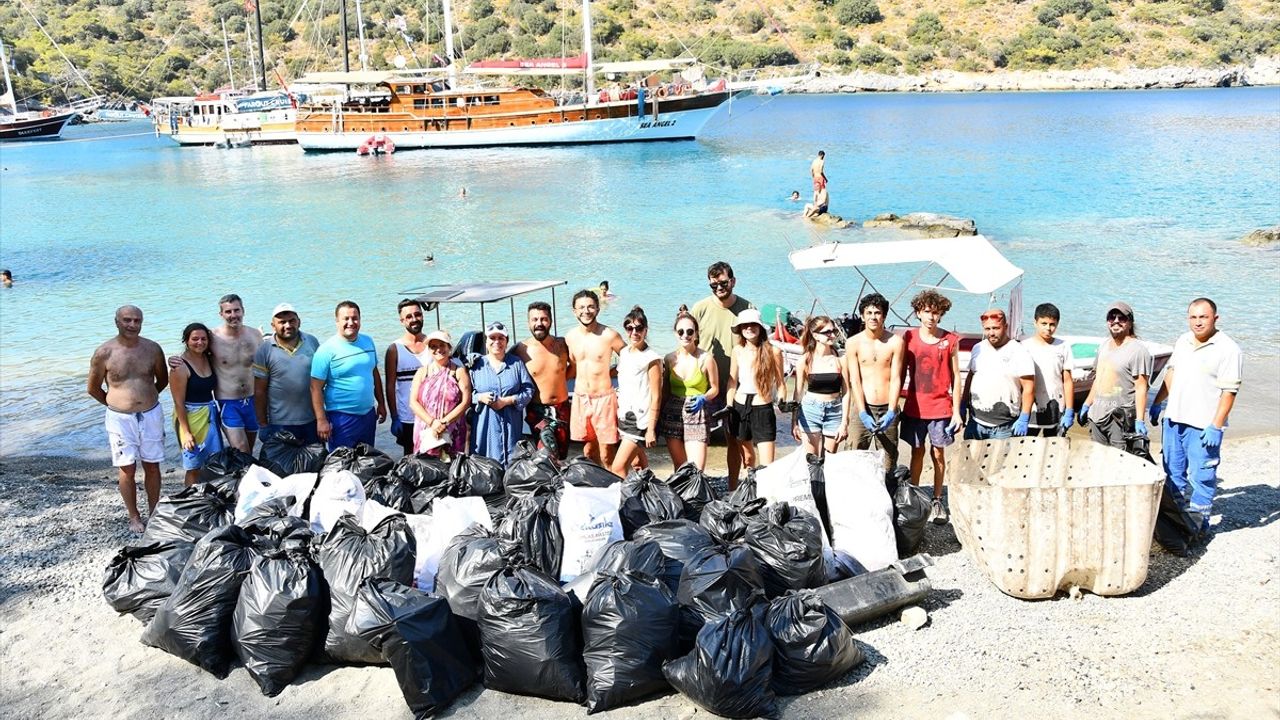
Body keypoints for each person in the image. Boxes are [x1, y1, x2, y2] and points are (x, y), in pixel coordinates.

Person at [1151, 298, 1242, 533]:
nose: (1198, 322)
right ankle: (1178, 520)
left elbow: (1229, 392)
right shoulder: (1183, 340)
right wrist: (1157, 402)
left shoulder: (1228, 349)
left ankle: (1201, 525)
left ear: (1215, 318)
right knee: (1173, 473)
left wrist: (1216, 425)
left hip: (1203, 425)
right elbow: (1171, 374)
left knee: (1202, 476)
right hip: (1174, 420)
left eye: (1203, 317)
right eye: (1193, 317)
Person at [87, 305, 168, 533]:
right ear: (117, 322)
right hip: (120, 418)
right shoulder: (104, 352)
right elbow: (93, 388)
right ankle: (134, 516)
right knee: (127, 469)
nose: (132, 325)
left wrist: (145, 399)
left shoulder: (153, 349)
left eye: (137, 320)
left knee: (153, 466)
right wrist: (116, 404)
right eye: (127, 320)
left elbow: (162, 380)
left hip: (151, 414)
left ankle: (154, 512)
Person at [900, 290, 964, 525]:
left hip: (941, 407)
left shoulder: (950, 340)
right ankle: (915, 496)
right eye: (927, 312)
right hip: (915, 406)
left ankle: (937, 499)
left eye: (935, 313)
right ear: (918, 313)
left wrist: (957, 411)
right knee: (917, 452)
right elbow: (898, 372)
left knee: (938, 453)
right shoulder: (909, 337)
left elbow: (957, 377)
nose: (931, 317)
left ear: (941, 315)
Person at [690, 261, 752, 484]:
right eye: (713, 285)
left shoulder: (747, 308)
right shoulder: (700, 309)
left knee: (735, 439)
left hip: (736, 386)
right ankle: (695, 486)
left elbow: (757, 346)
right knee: (696, 440)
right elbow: (687, 343)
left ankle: (733, 487)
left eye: (723, 283)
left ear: (733, 281)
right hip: (704, 387)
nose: (719, 288)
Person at [310, 301, 387, 450]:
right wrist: (321, 420)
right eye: (346, 319)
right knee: (341, 466)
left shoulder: (368, 341)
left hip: (368, 414)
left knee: (366, 461)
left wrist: (382, 404)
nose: (351, 323)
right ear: (337, 321)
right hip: (341, 417)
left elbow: (374, 373)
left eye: (355, 318)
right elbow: (315, 387)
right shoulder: (326, 350)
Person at [1079, 301, 1152, 449]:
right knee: (1098, 460)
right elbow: (1098, 379)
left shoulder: (1138, 351)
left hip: (1119, 420)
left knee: (1119, 463)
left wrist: (1140, 420)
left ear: (1130, 323)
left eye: (1122, 318)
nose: (1116, 321)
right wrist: (1087, 404)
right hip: (1097, 415)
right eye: (1112, 317)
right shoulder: (1104, 346)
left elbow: (1141, 388)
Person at [566, 290, 624, 466]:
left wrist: (615, 374)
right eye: (581, 307)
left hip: (604, 398)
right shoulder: (570, 337)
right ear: (574, 311)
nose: (586, 311)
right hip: (580, 398)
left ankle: (615, 486)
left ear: (598, 309)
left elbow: (631, 359)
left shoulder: (609, 335)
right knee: (589, 451)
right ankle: (596, 487)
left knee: (607, 453)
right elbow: (572, 368)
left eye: (591, 306)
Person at [847, 293, 903, 468]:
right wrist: (862, 412)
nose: (873, 317)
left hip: (887, 407)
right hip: (863, 407)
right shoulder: (853, 342)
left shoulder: (896, 342)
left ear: (884, 316)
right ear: (863, 316)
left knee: (888, 460)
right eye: (869, 312)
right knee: (854, 455)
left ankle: (889, 493)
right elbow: (855, 380)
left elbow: (896, 378)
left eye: (877, 313)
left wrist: (892, 411)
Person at [252, 303, 322, 444]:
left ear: (299, 322)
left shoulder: (312, 342)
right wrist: (263, 423)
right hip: (280, 423)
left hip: (312, 419)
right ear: (273, 325)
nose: (288, 325)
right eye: (282, 322)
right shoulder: (264, 350)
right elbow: (260, 391)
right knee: (283, 465)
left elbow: (322, 380)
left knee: (317, 464)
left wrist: (323, 417)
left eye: (292, 320)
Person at [962, 309, 1035, 440]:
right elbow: (970, 377)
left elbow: (1029, 387)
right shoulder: (977, 348)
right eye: (987, 329)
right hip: (975, 422)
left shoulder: (1019, 351)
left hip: (1004, 426)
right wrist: (962, 404)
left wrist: (1024, 417)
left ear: (1005, 327)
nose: (991, 333)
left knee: (1001, 460)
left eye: (996, 328)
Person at [467, 321, 534, 465]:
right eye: (492, 338)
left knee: (513, 461)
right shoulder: (475, 365)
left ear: (507, 341)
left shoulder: (516, 363)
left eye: (501, 338)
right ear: (486, 342)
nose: (496, 342)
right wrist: (480, 397)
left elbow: (528, 390)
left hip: (511, 423)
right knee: (485, 463)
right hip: (485, 425)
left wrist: (508, 400)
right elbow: (465, 394)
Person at [661, 312, 720, 471]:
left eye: (689, 331)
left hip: (696, 411)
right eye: (681, 332)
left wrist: (703, 397)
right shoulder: (669, 359)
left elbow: (715, 388)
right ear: (675, 334)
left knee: (696, 470)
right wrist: (656, 418)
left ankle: (696, 496)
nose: (685, 335)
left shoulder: (706, 358)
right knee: (680, 469)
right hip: (672, 413)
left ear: (696, 333)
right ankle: (679, 496)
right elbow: (665, 390)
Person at [727, 308, 784, 469]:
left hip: (763, 408)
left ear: (760, 327)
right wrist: (728, 406)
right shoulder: (737, 350)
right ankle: (749, 491)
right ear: (739, 329)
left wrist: (782, 402)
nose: (749, 328)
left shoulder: (774, 351)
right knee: (747, 459)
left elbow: (781, 384)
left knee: (767, 464)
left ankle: (767, 493)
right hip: (739, 407)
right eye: (745, 325)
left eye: (753, 324)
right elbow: (732, 383)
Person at [514, 301, 571, 459]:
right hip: (538, 411)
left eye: (544, 319)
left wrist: (560, 380)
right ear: (528, 322)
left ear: (551, 321)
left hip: (563, 409)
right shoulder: (520, 349)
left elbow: (576, 365)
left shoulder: (562, 344)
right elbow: (499, 364)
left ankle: (557, 482)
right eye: (534, 319)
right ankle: (547, 481)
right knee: (546, 453)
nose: (539, 323)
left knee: (561, 455)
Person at [611, 306, 663, 476]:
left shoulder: (652, 358)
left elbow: (656, 396)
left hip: (640, 420)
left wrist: (651, 429)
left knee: (618, 467)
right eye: (630, 328)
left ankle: (623, 501)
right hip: (624, 415)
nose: (634, 332)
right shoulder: (624, 352)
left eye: (639, 328)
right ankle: (649, 494)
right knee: (639, 465)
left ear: (646, 330)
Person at [170, 323, 222, 486]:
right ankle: (191, 500)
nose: (199, 342)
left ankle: (208, 498)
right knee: (193, 466)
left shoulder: (209, 358)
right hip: (189, 416)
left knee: (213, 461)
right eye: (195, 339)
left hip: (210, 415)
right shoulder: (180, 366)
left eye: (203, 339)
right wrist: (186, 432)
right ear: (186, 340)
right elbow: (178, 402)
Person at [209, 294, 264, 452]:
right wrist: (175, 361)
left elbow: (267, 365)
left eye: (236, 310)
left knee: (249, 450)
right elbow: (193, 353)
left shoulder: (255, 335)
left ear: (243, 311)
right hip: (228, 401)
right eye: (228, 312)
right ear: (221, 314)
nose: (233, 315)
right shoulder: (212, 338)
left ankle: (244, 475)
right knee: (240, 448)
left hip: (253, 400)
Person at [791, 315, 850, 457]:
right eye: (827, 332)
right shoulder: (804, 361)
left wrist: (844, 423)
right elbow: (798, 393)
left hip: (835, 411)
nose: (832, 335)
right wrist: (794, 421)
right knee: (811, 461)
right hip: (810, 410)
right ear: (815, 335)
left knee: (829, 460)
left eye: (833, 331)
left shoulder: (841, 359)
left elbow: (847, 392)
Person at [409, 330, 472, 457]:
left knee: (452, 467)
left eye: (442, 345)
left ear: (449, 347)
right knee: (426, 467)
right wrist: (432, 423)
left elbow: (466, 402)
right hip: (426, 429)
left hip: (453, 429)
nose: (438, 350)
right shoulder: (422, 372)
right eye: (433, 346)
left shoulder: (459, 372)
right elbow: (413, 402)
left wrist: (444, 423)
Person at [1021, 303, 1075, 436]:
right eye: (1043, 323)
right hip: (1032, 409)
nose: (1048, 328)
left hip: (1056, 408)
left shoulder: (1063, 346)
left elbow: (1067, 381)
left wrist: (1069, 409)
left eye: (1052, 324)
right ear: (1035, 322)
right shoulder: (1024, 347)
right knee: (1026, 449)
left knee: (1054, 450)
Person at [385, 299, 429, 456]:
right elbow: (390, 385)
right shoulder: (394, 349)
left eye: (417, 314)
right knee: (411, 457)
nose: (414, 319)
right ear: (402, 320)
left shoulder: (433, 345)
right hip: (407, 417)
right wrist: (394, 417)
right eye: (409, 316)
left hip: (432, 415)